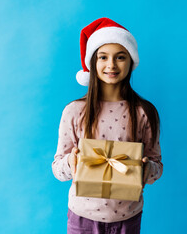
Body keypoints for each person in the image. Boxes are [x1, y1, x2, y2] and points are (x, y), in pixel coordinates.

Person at [52, 17, 163, 234]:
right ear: (93, 62)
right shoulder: (74, 112)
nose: (111, 65)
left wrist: (147, 169)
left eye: (120, 57)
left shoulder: (144, 112)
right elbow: (58, 168)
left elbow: (157, 166)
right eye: (103, 57)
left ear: (131, 61)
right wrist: (72, 162)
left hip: (128, 218)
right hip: (82, 218)